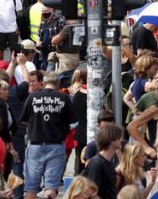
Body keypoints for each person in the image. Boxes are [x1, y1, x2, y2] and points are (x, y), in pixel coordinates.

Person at [20, 71, 77, 199]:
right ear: (58, 83)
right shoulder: (63, 98)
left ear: (44, 83)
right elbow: (74, 123)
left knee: (31, 186)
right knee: (51, 186)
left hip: (35, 144)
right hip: (56, 145)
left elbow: (23, 120)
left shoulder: (33, 97)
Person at [84, 125, 124, 199]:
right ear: (111, 140)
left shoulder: (109, 163)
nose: (121, 140)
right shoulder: (96, 164)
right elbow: (91, 193)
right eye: (119, 137)